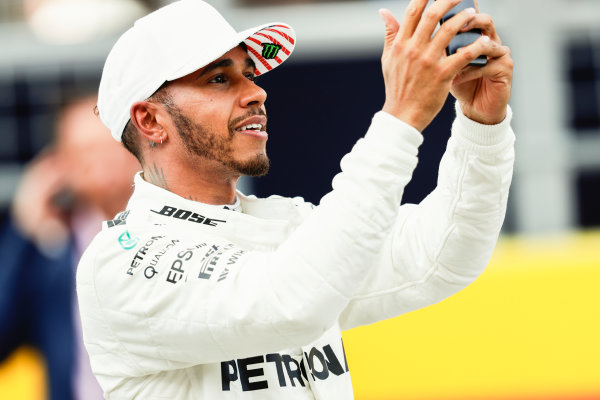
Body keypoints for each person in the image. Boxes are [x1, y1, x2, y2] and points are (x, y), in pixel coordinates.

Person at [77, 0, 514, 398]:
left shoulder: (282, 223)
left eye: (247, 73)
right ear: (150, 120)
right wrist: (401, 116)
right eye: (218, 78)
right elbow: (291, 302)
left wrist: (482, 125)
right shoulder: (119, 264)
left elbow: (443, 256)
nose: (255, 92)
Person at [0, 94, 139, 399]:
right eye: (85, 151)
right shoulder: (49, 248)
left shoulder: (177, 225)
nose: (100, 162)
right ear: (59, 164)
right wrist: (23, 228)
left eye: (109, 146)